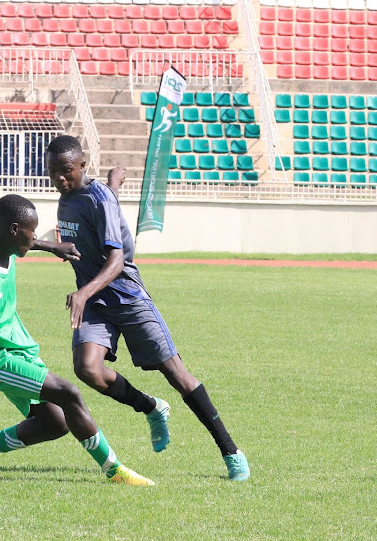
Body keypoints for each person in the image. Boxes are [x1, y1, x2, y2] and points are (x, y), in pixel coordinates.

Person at [45, 135, 249, 481]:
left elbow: (117, 259)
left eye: (66, 172)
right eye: (53, 173)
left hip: (127, 296)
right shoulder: (70, 199)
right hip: (95, 302)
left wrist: (82, 293)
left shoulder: (98, 199)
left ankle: (231, 452)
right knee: (88, 370)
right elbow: (97, 228)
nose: (59, 179)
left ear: (82, 165)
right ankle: (151, 407)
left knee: (179, 377)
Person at [0, 194, 154, 486]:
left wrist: (52, 246)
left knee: (55, 423)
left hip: (15, 346)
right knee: (69, 393)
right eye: (32, 231)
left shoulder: (2, 240)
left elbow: (22, 242)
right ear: (14, 230)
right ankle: (115, 471)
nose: (35, 236)